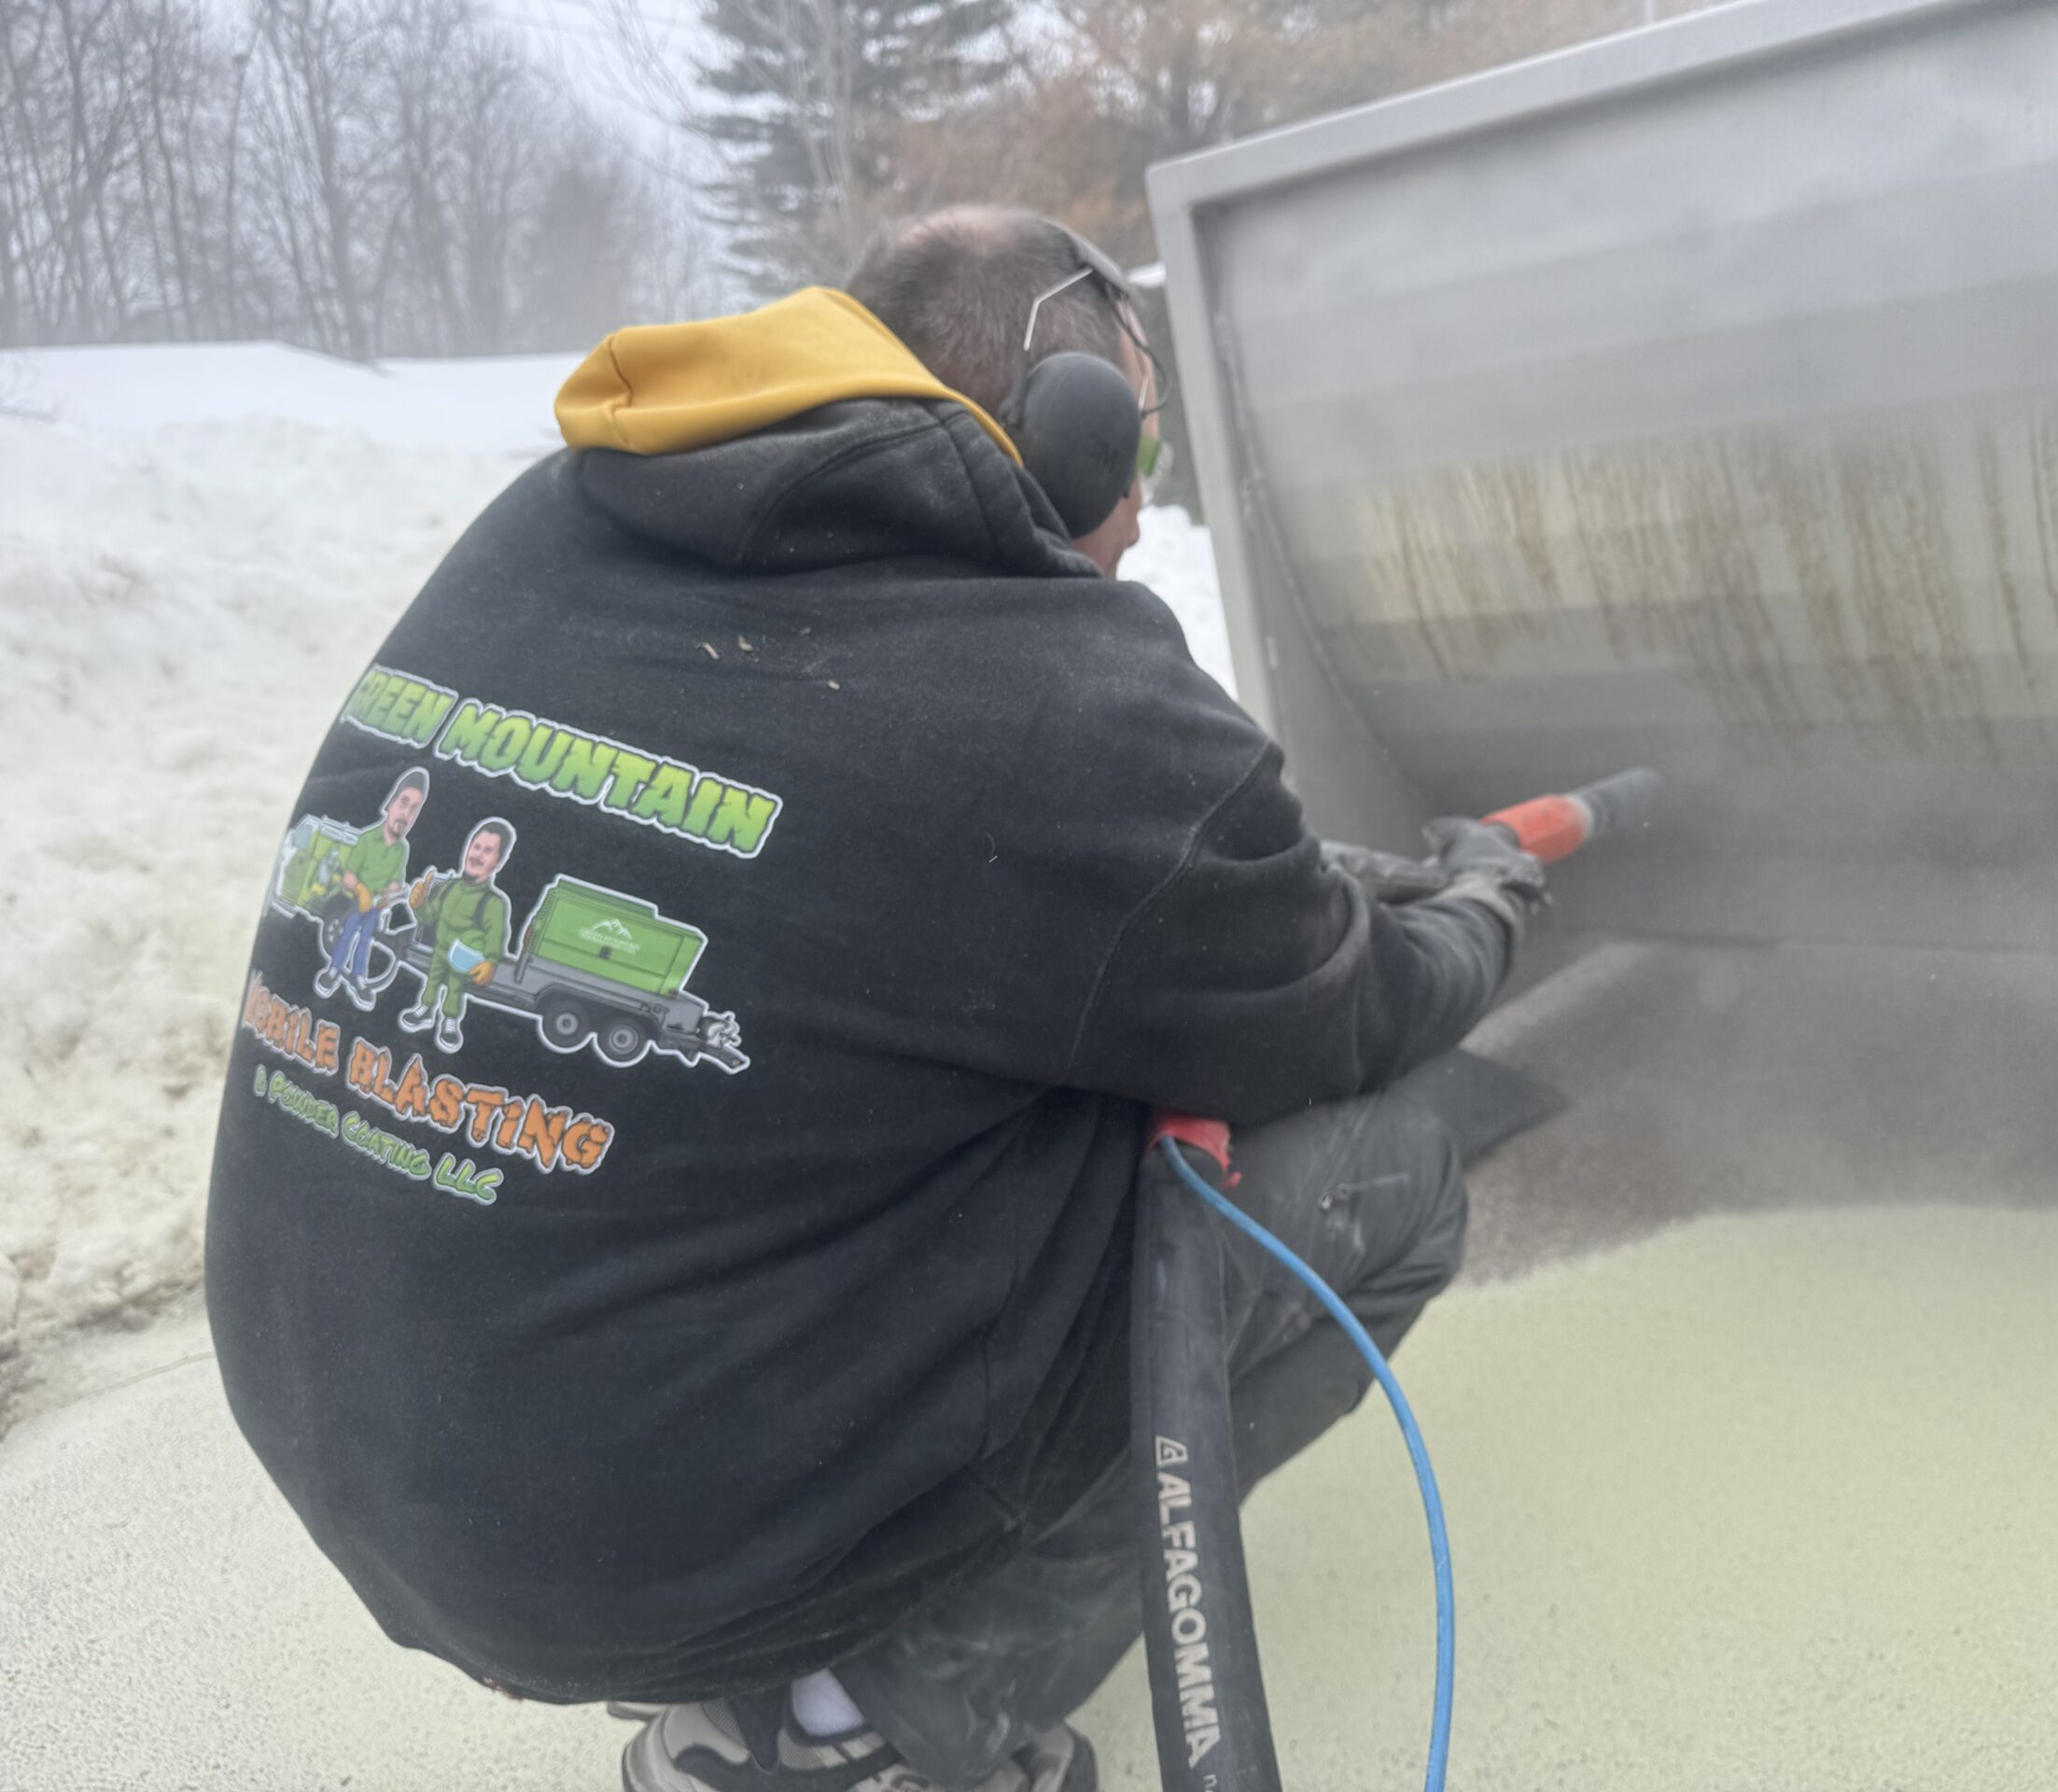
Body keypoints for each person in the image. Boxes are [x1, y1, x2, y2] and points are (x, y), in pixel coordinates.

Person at [203, 206, 1546, 1792]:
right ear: (1071, 434)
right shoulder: (1064, 689)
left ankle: (780, 1649)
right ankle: (870, 1727)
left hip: (351, 1454)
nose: (1134, 510)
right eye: (1137, 453)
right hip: (621, 1549)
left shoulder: (545, 523)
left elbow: (877, 848)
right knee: (1394, 1179)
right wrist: (1491, 907)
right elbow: (1354, 1013)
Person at [312, 766, 427, 1010]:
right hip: (359, 902)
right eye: (403, 803)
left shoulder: (401, 849)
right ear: (390, 804)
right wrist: (363, 892)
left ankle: (359, 978)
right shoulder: (367, 838)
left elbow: (396, 881)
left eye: (414, 809)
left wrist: (393, 894)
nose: (406, 814)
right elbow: (349, 876)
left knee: (366, 940)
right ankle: (333, 971)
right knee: (347, 933)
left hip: (377, 906)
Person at [397, 818, 515, 1054]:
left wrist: (490, 963)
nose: (478, 855)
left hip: (464, 958)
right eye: (476, 847)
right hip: (440, 949)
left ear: (498, 863)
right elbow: (430, 918)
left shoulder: (493, 902)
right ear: (467, 849)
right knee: (432, 979)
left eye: (488, 851)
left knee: (454, 987)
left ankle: (449, 1023)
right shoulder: (450, 887)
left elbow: (496, 936)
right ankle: (424, 1008)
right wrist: (419, 904)